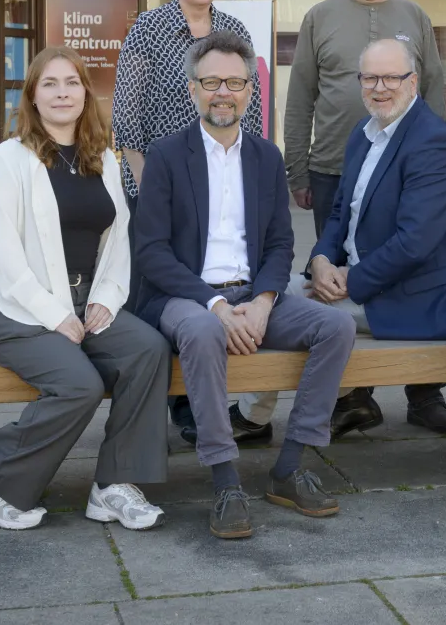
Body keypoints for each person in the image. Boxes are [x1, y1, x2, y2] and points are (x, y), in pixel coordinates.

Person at [132, 31, 357, 540]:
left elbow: (280, 244)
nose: (223, 92)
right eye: (211, 81)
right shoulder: (166, 155)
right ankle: (225, 480)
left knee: (336, 328)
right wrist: (214, 304)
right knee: (205, 332)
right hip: (184, 297)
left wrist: (262, 301)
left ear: (251, 91)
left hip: (252, 294)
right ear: (193, 89)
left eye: (235, 82)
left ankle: (290, 467)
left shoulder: (264, 157)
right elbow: (150, 252)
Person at [0, 47, 169, 532]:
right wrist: (55, 315)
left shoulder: (104, 158)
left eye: (72, 83)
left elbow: (119, 238)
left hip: (87, 303)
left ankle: (115, 486)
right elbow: (2, 256)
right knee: (80, 385)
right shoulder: (9, 160)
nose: (62, 92)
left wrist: (106, 297)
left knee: (148, 349)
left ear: (85, 93)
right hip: (19, 312)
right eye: (50, 83)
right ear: (32, 95)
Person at [244, 39, 446, 439]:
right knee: (265, 293)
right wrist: (320, 262)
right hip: (355, 284)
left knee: (278, 309)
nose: (379, 87)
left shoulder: (434, 142)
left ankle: (254, 418)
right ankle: (350, 400)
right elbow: (338, 214)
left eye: (391, 78)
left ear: (413, 82)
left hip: (409, 299)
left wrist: (350, 281)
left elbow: (415, 242)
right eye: (369, 78)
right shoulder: (363, 134)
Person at [111, 0, 267, 448]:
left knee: (212, 278)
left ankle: (196, 405)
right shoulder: (149, 29)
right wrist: (149, 185)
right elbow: (128, 117)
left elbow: (255, 107)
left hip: (222, 181)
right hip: (159, 185)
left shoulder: (234, 29)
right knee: (163, 290)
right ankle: (155, 398)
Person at [285, 0, 446, 238]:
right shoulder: (319, 17)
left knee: (396, 269)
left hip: (403, 169)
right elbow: (300, 99)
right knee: (333, 272)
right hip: (333, 169)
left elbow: (433, 94)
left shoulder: (415, 17)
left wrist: (434, 166)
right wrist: (298, 173)